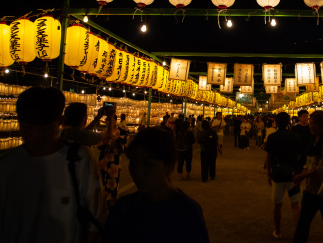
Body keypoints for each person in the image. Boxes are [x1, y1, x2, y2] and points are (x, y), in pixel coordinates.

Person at [0, 86, 107, 243]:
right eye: (28, 126)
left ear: (60, 122)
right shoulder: (7, 166)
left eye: (44, 127)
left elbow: (95, 218)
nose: (35, 134)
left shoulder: (78, 159)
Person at [102, 126, 210, 242]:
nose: (138, 172)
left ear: (168, 166)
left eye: (148, 164)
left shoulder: (187, 214)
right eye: (134, 162)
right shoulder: (122, 209)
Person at [292, 110, 323, 243]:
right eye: (310, 123)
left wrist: (302, 176)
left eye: (314, 124)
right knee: (303, 224)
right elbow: (309, 160)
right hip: (311, 190)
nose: (311, 126)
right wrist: (302, 173)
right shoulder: (314, 139)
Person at [265, 112, 302, 240]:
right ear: (288, 122)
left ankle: (278, 230)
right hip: (292, 174)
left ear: (276, 121)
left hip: (278, 174)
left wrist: (269, 173)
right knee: (295, 204)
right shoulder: (295, 137)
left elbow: (269, 157)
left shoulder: (272, 137)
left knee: (277, 205)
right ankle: (298, 233)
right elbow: (298, 156)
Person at [97, 109, 127, 207]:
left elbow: (124, 142)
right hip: (104, 159)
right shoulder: (103, 131)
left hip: (114, 159)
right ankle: (103, 199)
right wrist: (105, 143)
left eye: (111, 120)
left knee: (113, 179)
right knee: (102, 179)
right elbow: (99, 146)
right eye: (107, 120)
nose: (109, 122)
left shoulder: (120, 131)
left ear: (115, 121)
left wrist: (116, 140)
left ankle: (112, 199)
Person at [291, 109, 311, 174]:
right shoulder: (295, 128)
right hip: (299, 153)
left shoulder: (311, 128)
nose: (306, 118)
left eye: (307, 116)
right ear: (299, 118)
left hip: (309, 153)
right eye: (304, 116)